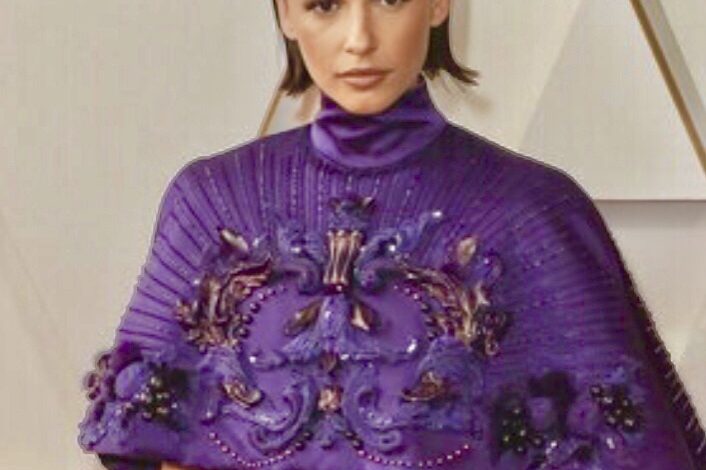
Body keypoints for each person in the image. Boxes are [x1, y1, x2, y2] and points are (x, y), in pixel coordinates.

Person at [77, 1, 706, 469]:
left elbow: (627, 447)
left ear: (439, 4)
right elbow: (143, 441)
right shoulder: (213, 202)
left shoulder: (530, 212)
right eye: (324, 4)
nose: (360, 39)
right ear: (285, 13)